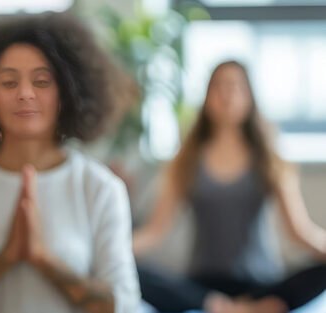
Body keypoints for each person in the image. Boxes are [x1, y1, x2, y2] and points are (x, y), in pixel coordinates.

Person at [0, 13, 141, 313]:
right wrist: (5, 258)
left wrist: (43, 259)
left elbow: (124, 306)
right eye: (9, 82)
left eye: (41, 81)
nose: (25, 94)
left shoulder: (100, 189)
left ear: (65, 93)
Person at [133, 60, 326, 313]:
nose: (227, 95)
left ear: (249, 97)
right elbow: (154, 231)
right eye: (219, 87)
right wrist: (110, 249)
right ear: (207, 97)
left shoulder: (269, 159)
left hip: (262, 283)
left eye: (236, 87)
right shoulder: (187, 161)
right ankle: (236, 308)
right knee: (133, 271)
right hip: (202, 288)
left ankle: (238, 307)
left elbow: (300, 231)